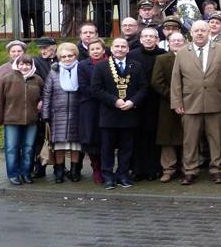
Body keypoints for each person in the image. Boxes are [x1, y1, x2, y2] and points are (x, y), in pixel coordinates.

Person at [171, 20, 221, 185]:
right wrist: (177, 102)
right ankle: (190, 171)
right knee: (190, 140)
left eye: (203, 30)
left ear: (209, 32)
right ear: (190, 33)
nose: (199, 33)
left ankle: (217, 170)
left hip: (216, 101)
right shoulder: (183, 52)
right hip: (190, 103)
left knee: (216, 139)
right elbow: (176, 79)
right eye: (196, 30)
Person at [92, 37, 148, 189]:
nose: (120, 49)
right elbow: (96, 89)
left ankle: (123, 174)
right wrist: (114, 101)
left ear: (128, 49)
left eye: (123, 46)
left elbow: (143, 87)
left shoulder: (136, 66)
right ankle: (108, 176)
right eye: (117, 46)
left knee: (126, 148)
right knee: (107, 148)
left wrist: (133, 102)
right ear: (111, 49)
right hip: (109, 114)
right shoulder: (101, 67)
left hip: (129, 113)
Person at [0, 54, 44, 185]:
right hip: (12, 120)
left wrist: (42, 102)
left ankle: (26, 173)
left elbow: (44, 96)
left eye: (27, 64)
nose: (24, 67)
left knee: (29, 148)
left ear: (32, 66)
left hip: (31, 121)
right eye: (21, 64)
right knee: (12, 148)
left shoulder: (37, 80)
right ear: (16, 65)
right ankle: (13, 174)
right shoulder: (7, 79)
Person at [41, 42, 84, 183]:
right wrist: (45, 115)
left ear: (75, 55)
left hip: (77, 114)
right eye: (63, 56)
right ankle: (59, 172)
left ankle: (74, 171)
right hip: (57, 115)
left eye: (70, 56)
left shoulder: (82, 70)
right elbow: (47, 95)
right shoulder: (53, 72)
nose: (67, 59)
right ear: (59, 57)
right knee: (58, 146)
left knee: (75, 146)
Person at [127, 27, 166, 180]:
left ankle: (153, 169)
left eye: (152, 36)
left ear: (157, 40)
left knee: (154, 137)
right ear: (141, 39)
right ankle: (137, 170)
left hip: (157, 101)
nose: (149, 39)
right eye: (145, 36)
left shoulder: (163, 55)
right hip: (136, 102)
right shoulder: (132, 55)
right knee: (137, 137)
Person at [150, 32, 186, 182]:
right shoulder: (162, 58)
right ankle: (168, 169)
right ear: (168, 42)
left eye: (179, 40)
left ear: (185, 42)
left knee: (188, 136)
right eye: (173, 40)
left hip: (190, 103)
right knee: (168, 137)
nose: (176, 43)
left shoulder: (191, 57)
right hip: (168, 104)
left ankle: (186, 167)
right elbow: (156, 82)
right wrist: (174, 97)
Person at [77, 37, 107, 185]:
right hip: (89, 106)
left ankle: (106, 169)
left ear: (103, 50)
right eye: (92, 49)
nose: (95, 51)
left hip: (107, 106)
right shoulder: (83, 65)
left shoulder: (110, 63)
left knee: (105, 138)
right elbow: (82, 86)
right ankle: (96, 169)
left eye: (98, 49)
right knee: (92, 138)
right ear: (88, 52)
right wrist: (101, 94)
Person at [0, 40, 27, 112]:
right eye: (13, 51)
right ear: (9, 54)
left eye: (19, 51)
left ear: (24, 52)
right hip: (9, 113)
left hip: (29, 113)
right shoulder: (2, 70)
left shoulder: (32, 68)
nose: (16, 54)